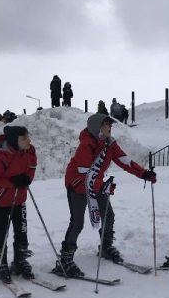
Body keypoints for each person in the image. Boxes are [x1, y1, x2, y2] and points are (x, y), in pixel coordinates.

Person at [55, 114, 156, 277]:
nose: (110, 128)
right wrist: (101, 186)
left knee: (108, 215)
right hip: (78, 185)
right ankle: (65, 259)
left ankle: (105, 247)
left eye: (110, 125)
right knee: (77, 222)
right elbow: (84, 175)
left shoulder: (109, 144)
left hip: (96, 184)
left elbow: (125, 161)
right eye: (106, 125)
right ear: (97, 128)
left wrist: (143, 173)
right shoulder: (86, 146)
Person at [0, 126, 37, 282]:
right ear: (14, 141)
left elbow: (32, 168)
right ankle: (1, 263)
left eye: (28, 136)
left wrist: (27, 178)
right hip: (1, 200)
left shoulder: (30, 152)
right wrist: (11, 182)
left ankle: (20, 260)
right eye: (24, 138)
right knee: (1, 232)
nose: (29, 140)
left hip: (19, 198)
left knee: (21, 230)